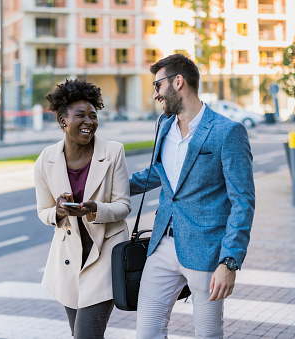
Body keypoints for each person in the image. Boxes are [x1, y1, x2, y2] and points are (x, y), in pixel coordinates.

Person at [130, 54, 255, 338]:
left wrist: (229, 261)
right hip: (162, 247)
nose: (155, 94)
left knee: (208, 334)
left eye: (158, 85)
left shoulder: (228, 132)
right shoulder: (164, 127)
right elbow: (157, 174)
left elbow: (243, 201)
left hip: (207, 252)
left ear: (178, 82)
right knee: (146, 333)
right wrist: (106, 185)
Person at [34, 79, 131, 338]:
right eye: (80, 115)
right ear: (63, 120)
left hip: (104, 257)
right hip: (68, 262)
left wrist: (94, 209)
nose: (89, 122)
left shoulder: (113, 152)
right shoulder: (46, 160)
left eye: (93, 115)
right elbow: (42, 211)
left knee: (86, 335)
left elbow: (123, 206)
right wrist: (58, 211)